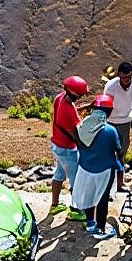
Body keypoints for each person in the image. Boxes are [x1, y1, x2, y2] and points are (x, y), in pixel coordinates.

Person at [73, 94, 125, 238]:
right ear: (109, 111)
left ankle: (90, 224)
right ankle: (101, 228)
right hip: (104, 171)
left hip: (84, 168)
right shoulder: (110, 130)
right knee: (102, 199)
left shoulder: (83, 126)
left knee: (88, 195)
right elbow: (118, 150)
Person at [103, 62, 132, 193]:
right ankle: (107, 183)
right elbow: (106, 104)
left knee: (121, 153)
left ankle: (120, 183)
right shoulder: (110, 86)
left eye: (129, 76)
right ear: (119, 75)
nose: (127, 79)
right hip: (110, 121)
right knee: (108, 152)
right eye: (124, 77)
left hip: (125, 122)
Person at [49, 75, 89, 220]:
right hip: (67, 149)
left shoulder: (60, 97)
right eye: (80, 95)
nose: (80, 98)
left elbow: (72, 107)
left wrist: (85, 107)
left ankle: (54, 205)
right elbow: (76, 136)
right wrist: (85, 148)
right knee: (75, 179)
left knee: (59, 174)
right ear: (74, 94)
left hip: (57, 144)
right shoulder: (68, 112)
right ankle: (76, 210)